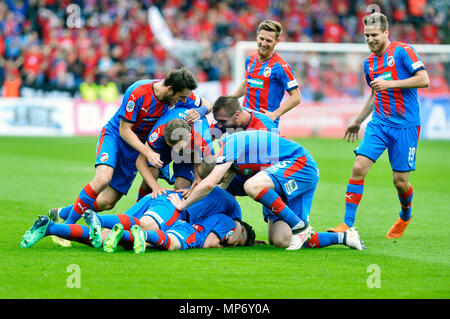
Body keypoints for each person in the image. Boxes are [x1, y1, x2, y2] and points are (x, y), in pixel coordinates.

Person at [52, 69, 212, 228]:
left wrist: (201, 111)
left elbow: (206, 103)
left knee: (107, 202)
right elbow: (124, 130)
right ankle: (67, 227)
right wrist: (148, 152)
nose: (183, 100)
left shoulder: (181, 94)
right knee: (102, 179)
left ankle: (62, 213)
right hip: (116, 137)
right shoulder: (138, 92)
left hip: (139, 146)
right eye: (181, 97)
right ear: (170, 90)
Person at [327, 12, 430, 238]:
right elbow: (375, 94)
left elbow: (424, 79)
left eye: (374, 35)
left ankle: (405, 214)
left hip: (405, 126)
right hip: (379, 124)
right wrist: (357, 121)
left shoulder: (403, 51)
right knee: (358, 167)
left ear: (386, 32)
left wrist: (390, 83)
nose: (370, 39)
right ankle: (347, 224)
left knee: (400, 182)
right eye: (366, 36)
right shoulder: (369, 63)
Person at [168, 130, 319, 251]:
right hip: (279, 176)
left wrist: (183, 205)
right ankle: (340, 238)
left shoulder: (227, 150)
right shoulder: (231, 160)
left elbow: (209, 185)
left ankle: (299, 226)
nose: (222, 181)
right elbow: (218, 195)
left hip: (299, 164)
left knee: (251, 186)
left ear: (221, 171)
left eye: (220, 178)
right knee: (281, 240)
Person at [20, 186, 252, 252]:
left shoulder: (217, 199)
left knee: (105, 238)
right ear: (240, 229)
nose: (230, 240)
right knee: (145, 227)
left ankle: (50, 227)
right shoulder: (231, 216)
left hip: (159, 199)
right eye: (237, 239)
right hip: (171, 207)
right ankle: (96, 219)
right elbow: (213, 238)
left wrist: (154, 186)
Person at [231, 20, 301, 126]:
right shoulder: (250, 60)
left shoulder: (280, 67)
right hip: (244, 119)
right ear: (257, 36)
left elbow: (296, 97)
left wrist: (274, 114)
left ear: (277, 41)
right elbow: (247, 82)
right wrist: (230, 99)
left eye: (268, 41)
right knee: (224, 139)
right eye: (262, 39)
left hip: (264, 124)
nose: (263, 43)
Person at [135, 110, 215, 201]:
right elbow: (140, 161)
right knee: (149, 179)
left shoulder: (203, 138)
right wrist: (155, 187)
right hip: (165, 147)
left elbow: (211, 173)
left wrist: (198, 177)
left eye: (179, 148)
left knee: (182, 187)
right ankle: (139, 208)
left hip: (190, 152)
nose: (176, 152)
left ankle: (179, 213)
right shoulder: (159, 131)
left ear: (189, 136)